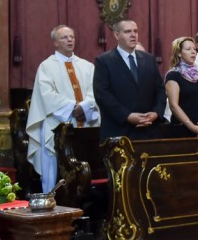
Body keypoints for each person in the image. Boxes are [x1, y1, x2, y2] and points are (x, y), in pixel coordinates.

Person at [25, 25, 100, 193]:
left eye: (71, 36)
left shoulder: (87, 66)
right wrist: (73, 108)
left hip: (85, 125)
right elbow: (47, 95)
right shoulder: (46, 67)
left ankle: (86, 200)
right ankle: (52, 199)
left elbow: (95, 91)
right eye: (64, 37)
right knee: (52, 165)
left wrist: (84, 107)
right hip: (55, 124)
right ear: (55, 43)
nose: (69, 40)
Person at [94, 19, 167, 140]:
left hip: (149, 131)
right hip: (119, 130)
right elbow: (102, 94)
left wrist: (156, 113)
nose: (133, 35)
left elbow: (160, 89)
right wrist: (127, 116)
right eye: (128, 31)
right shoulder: (104, 61)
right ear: (117, 35)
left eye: (135, 31)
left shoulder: (149, 59)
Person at [165, 36, 198, 138]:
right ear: (179, 53)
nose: (193, 52)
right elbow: (174, 105)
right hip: (182, 129)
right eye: (188, 49)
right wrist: (191, 126)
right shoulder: (173, 75)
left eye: (194, 49)